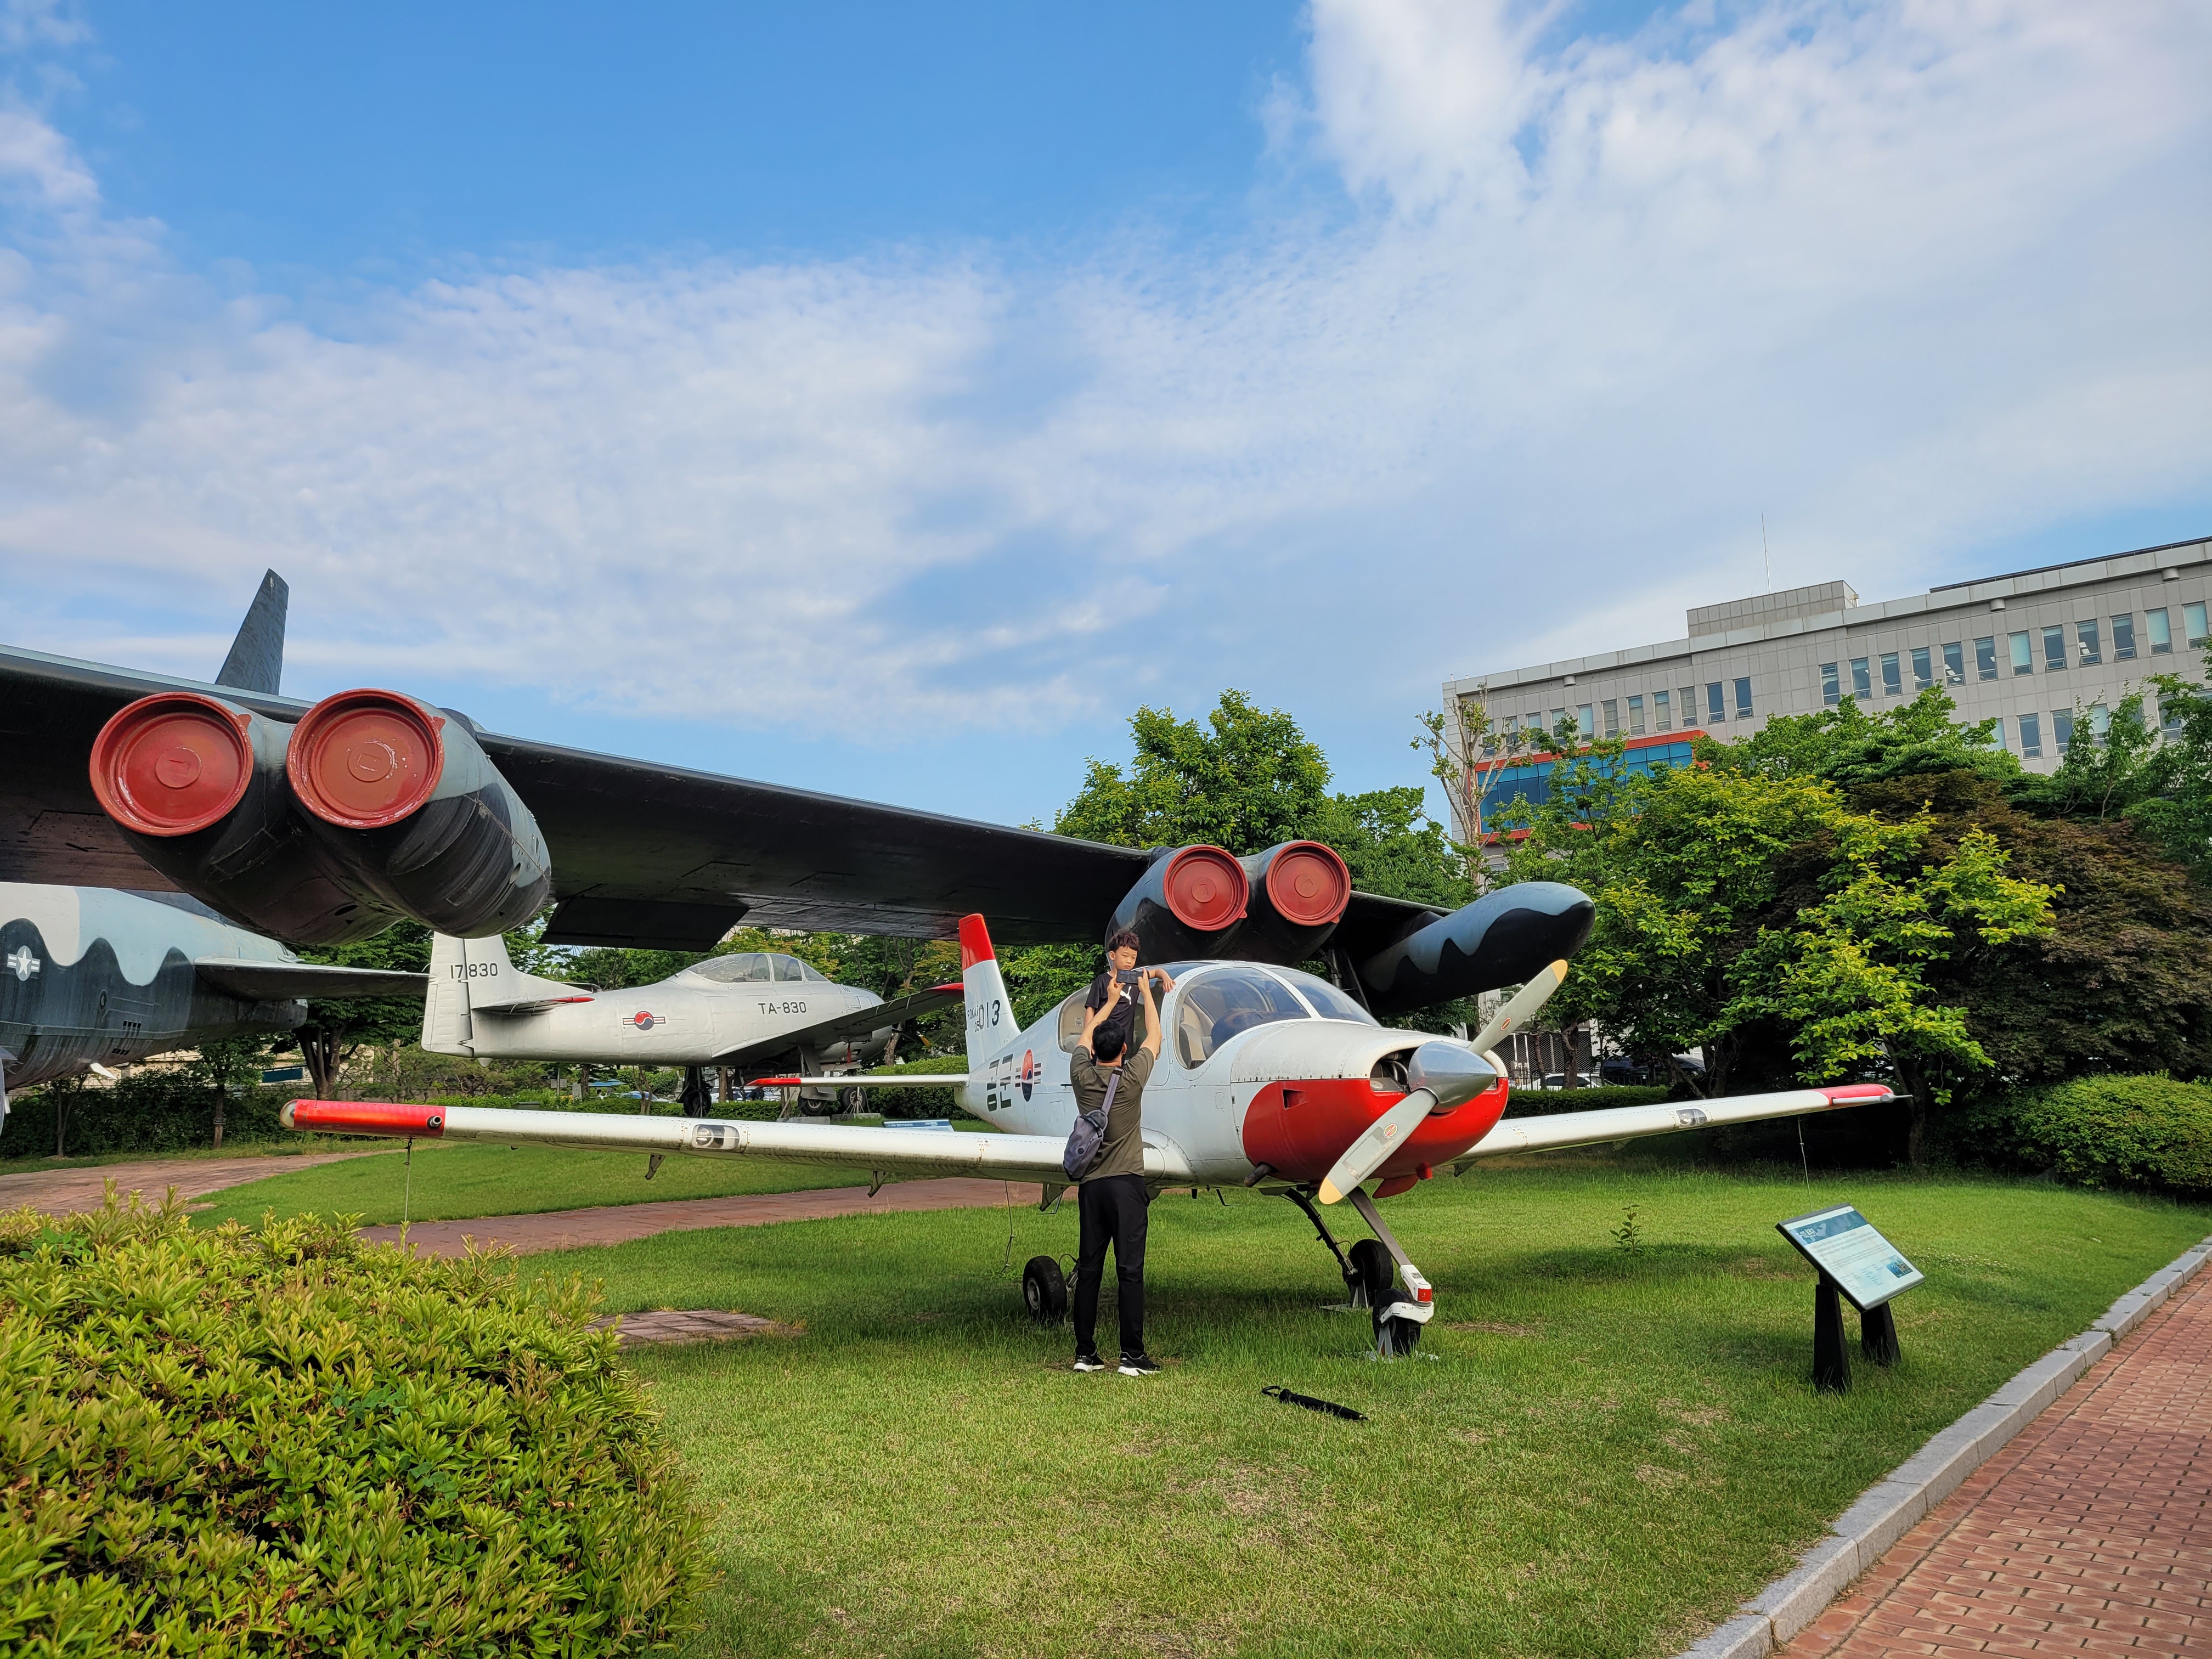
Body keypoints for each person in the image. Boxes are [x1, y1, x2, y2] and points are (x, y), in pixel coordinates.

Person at [1069, 959, 1173, 1375]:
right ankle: (1132, 1355)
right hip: (1127, 1185)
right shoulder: (1131, 1080)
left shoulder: (1081, 1075)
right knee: (1130, 1271)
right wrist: (1145, 991)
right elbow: (1156, 1037)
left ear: (1095, 1051)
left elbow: (1085, 1036)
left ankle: (1085, 1354)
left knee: (1089, 1269)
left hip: (1092, 1187)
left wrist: (1109, 1002)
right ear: (1125, 1051)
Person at [1084, 929, 1145, 1056]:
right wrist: (1088, 1039)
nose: (1129, 961)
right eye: (1125, 956)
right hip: (1103, 1042)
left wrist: (1164, 976)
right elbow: (1091, 1010)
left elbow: (1153, 973)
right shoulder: (1101, 981)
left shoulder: (1135, 978)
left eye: (1133, 957)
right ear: (1112, 956)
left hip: (1125, 1044)